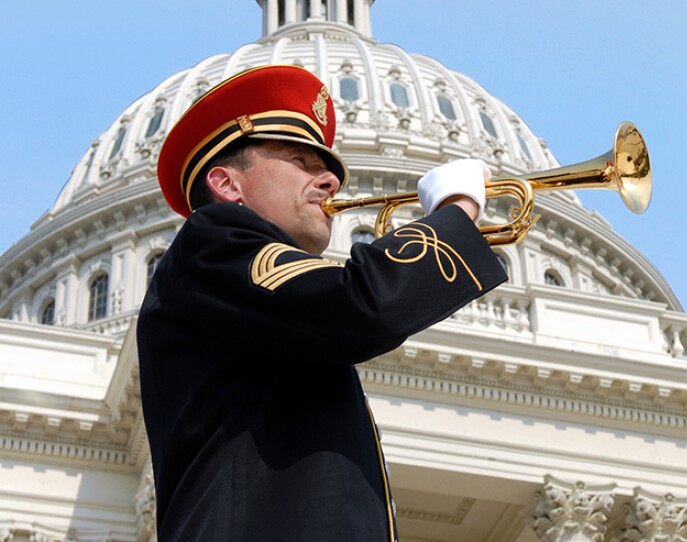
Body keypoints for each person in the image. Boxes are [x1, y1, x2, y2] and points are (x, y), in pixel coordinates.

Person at [137, 65, 507, 542]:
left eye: (328, 169)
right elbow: (363, 303)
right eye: (301, 161)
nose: (330, 180)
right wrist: (457, 211)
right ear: (228, 186)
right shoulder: (213, 241)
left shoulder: (276, 314)